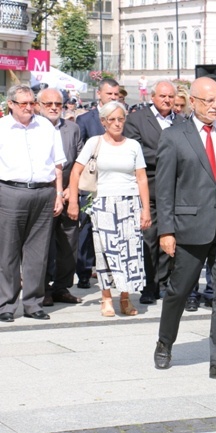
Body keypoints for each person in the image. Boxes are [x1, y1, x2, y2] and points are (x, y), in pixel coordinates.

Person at [153, 77, 216, 384]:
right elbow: (164, 188)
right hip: (189, 227)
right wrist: (166, 230)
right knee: (179, 290)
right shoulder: (173, 137)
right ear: (192, 102)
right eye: (208, 101)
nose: (214, 106)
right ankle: (165, 342)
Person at [68, 101, 151, 317]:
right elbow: (76, 172)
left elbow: (141, 178)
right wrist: (74, 202)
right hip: (103, 203)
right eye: (111, 119)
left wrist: (145, 210)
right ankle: (106, 298)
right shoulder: (94, 143)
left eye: (120, 119)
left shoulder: (133, 145)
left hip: (130, 203)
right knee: (104, 253)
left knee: (130, 254)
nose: (117, 123)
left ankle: (125, 298)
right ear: (103, 122)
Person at [0, 84, 65, 323]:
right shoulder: (2, 128)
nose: (29, 108)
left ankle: (33, 303)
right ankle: (6, 304)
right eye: (23, 103)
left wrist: (58, 193)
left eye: (32, 103)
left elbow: (58, 163)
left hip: (43, 192)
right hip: (9, 191)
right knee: (7, 252)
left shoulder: (45, 126)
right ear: (11, 105)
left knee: (38, 253)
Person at [124, 80, 179, 305]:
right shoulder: (137, 119)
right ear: (153, 97)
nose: (166, 100)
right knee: (149, 240)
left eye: (170, 97)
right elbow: (136, 152)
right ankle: (149, 285)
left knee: (169, 236)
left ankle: (164, 283)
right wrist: (171, 157)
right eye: (162, 96)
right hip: (150, 188)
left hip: (176, 189)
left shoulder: (182, 121)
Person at [37, 88, 84, 307]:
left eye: (59, 104)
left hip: (69, 194)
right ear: (39, 105)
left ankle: (61, 287)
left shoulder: (72, 129)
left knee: (69, 243)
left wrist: (71, 190)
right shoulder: (33, 128)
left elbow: (80, 162)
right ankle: (43, 288)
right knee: (43, 245)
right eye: (49, 104)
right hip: (43, 194)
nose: (55, 108)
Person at [75, 78, 121, 289]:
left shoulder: (123, 117)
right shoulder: (85, 120)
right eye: (109, 94)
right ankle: (84, 271)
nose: (113, 97)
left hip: (116, 182)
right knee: (86, 227)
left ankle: (111, 269)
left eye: (116, 94)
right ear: (99, 95)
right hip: (93, 183)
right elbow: (79, 151)